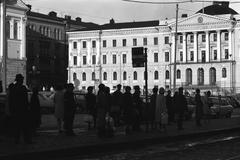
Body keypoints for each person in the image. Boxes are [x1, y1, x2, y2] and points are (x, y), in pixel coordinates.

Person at [9, 74, 32, 144]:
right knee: (25, 126)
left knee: (17, 126)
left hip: (15, 110)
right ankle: (26, 139)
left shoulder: (13, 88)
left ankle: (17, 139)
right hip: (22, 110)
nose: (22, 81)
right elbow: (25, 100)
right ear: (20, 80)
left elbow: (11, 100)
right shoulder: (22, 88)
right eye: (22, 79)